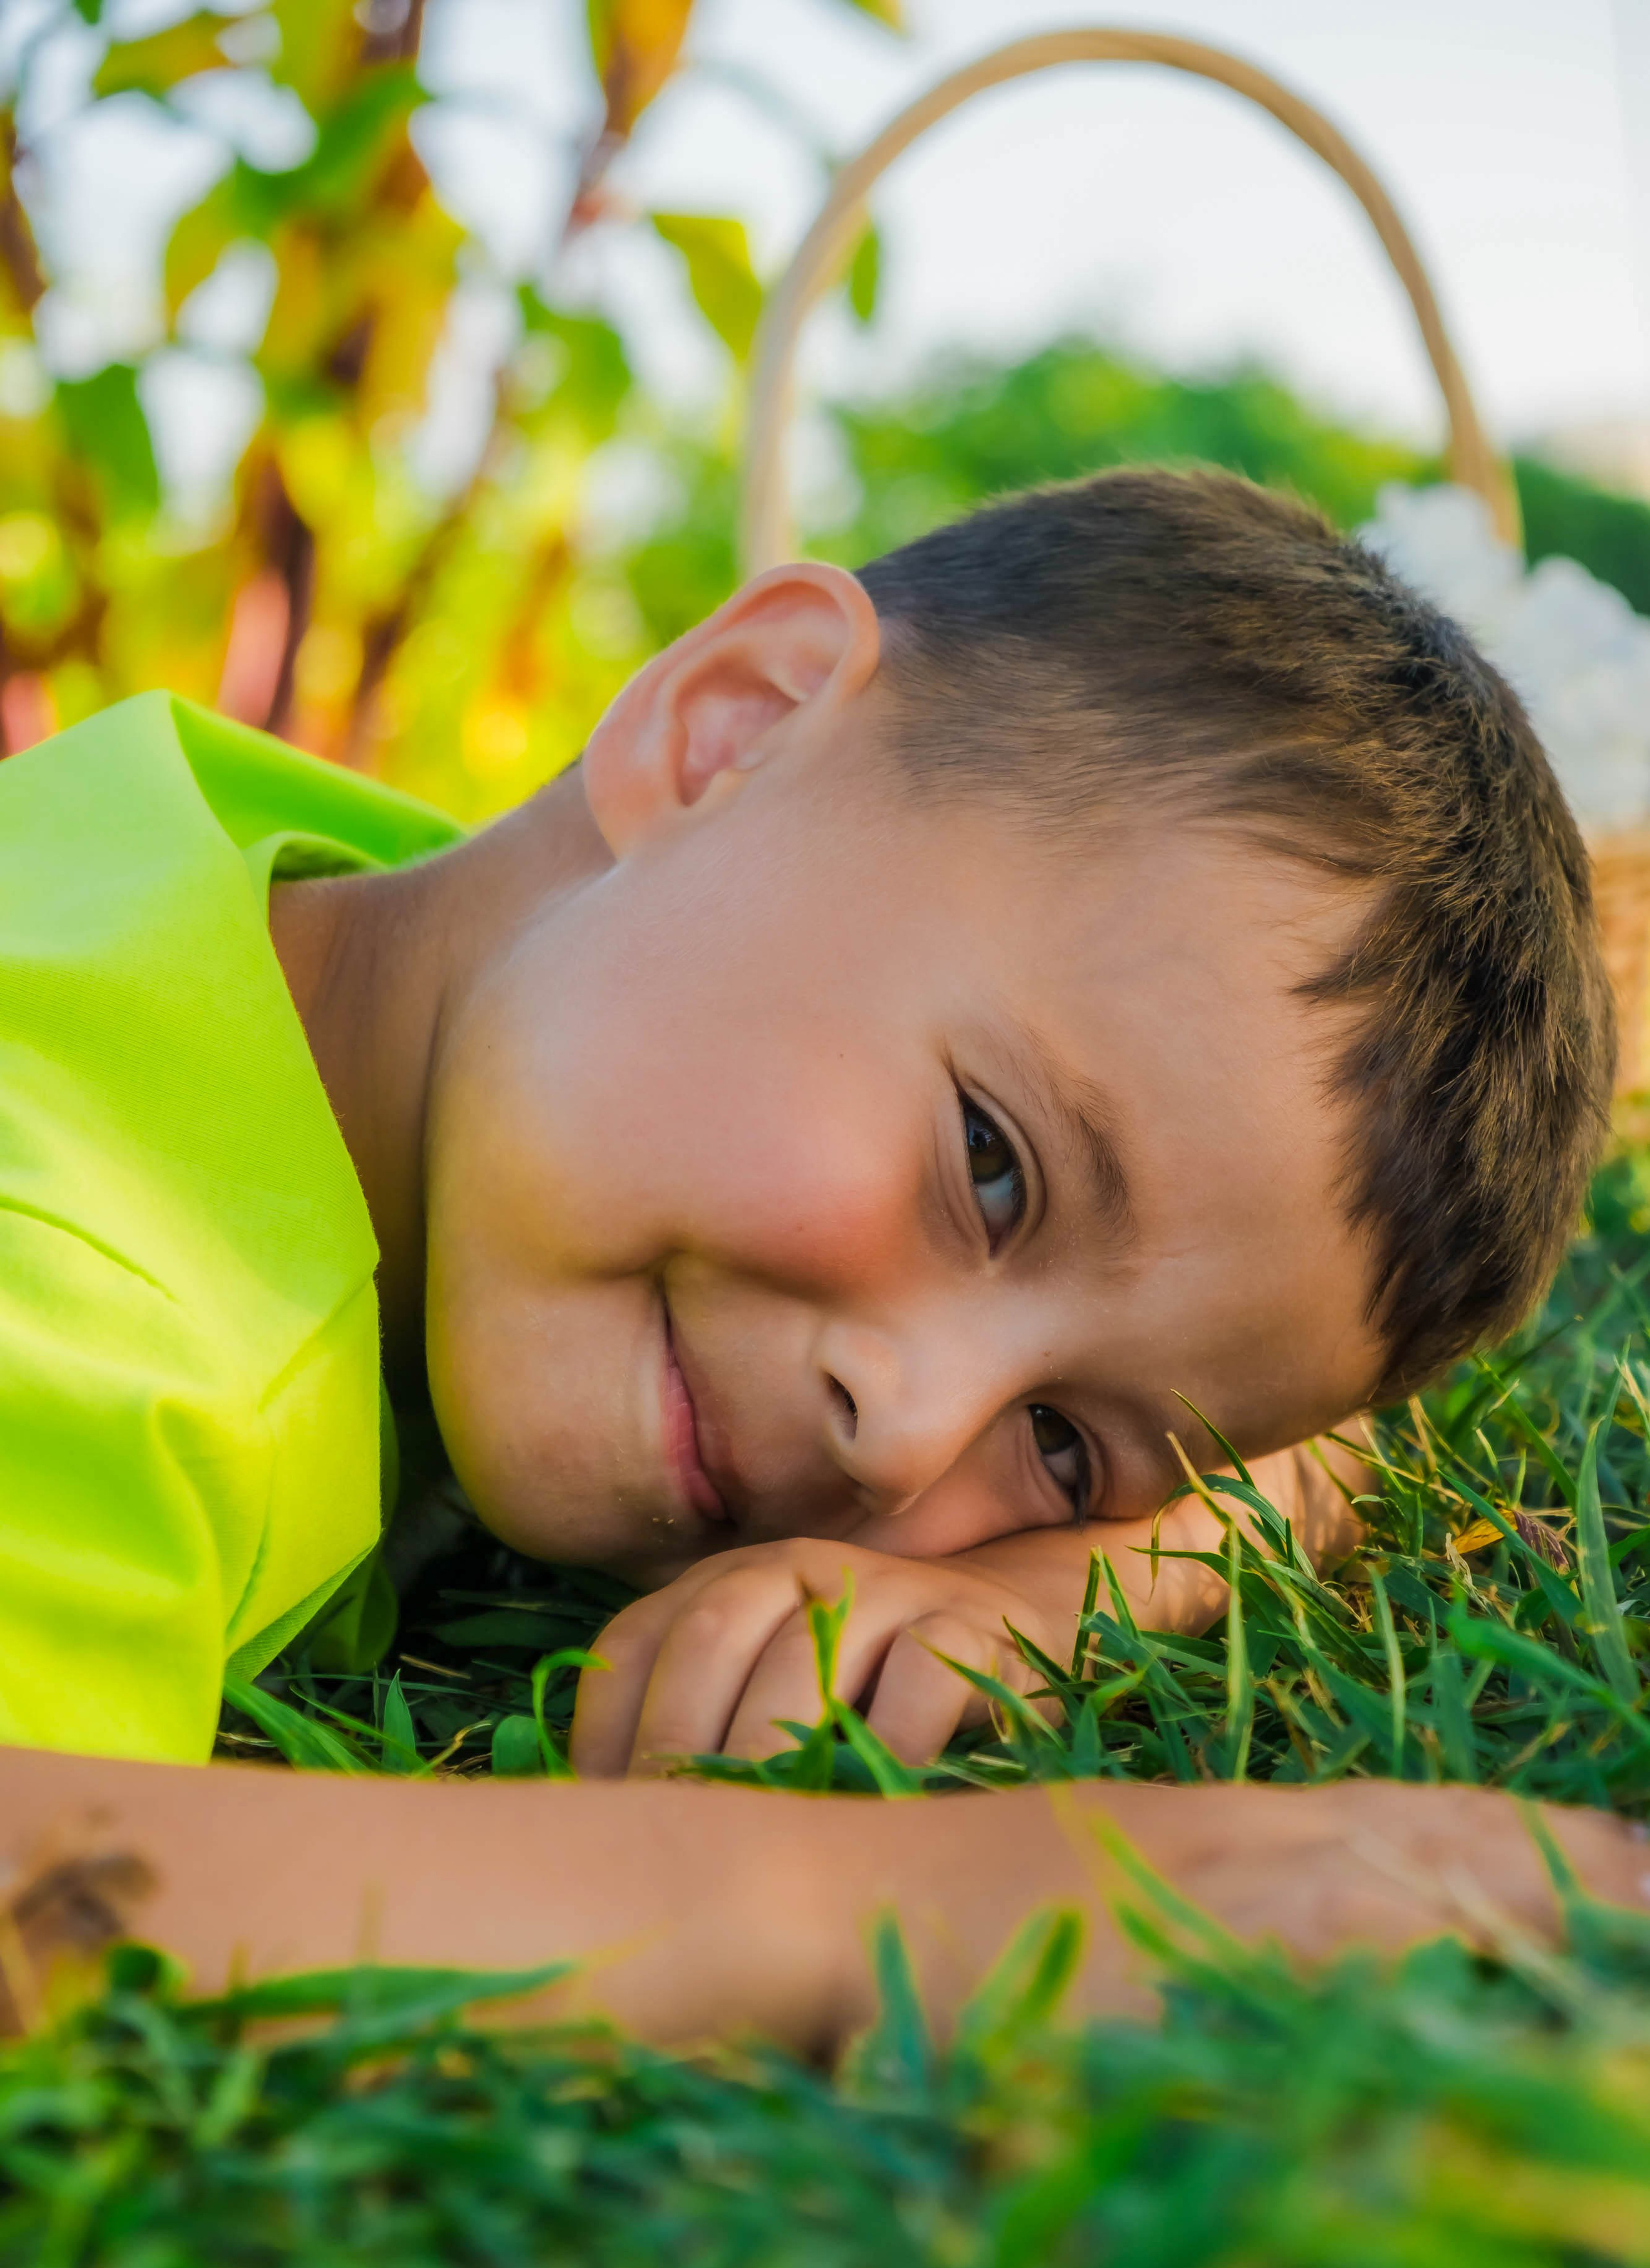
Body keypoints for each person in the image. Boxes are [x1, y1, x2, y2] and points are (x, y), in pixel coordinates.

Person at [0, 467, 1630, 2046]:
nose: (906, 1437)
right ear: (733, 727)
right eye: (989, 1170)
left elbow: (1314, 1438)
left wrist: (1047, 1585)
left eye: (1059, 1443)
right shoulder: (95, 1308)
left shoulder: (317, 893)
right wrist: (918, 1906)